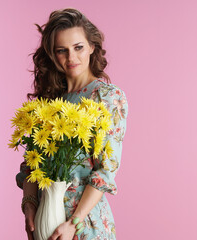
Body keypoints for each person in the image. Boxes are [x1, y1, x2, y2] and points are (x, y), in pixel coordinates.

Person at [15, 8, 128, 240]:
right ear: (52, 55)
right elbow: (30, 166)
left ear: (92, 47)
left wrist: (73, 224)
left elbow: (105, 171)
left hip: (83, 223)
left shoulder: (106, 97)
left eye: (78, 47)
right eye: (61, 51)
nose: (71, 58)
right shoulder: (49, 103)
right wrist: (29, 207)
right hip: (45, 220)